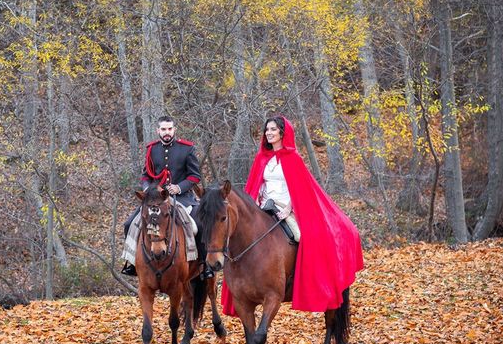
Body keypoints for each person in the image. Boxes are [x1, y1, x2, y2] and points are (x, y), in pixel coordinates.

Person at [220, 115, 364, 315]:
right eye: (267, 130)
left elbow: (300, 188)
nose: (269, 133)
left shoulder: (293, 158)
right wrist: (257, 203)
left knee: (302, 237)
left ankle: (299, 281)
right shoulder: (262, 158)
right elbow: (258, 184)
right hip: (263, 208)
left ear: (282, 133)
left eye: (273, 130)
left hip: (287, 209)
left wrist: (288, 209)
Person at [121, 116, 214, 280]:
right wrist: (148, 189)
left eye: (169, 129)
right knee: (129, 224)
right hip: (156, 199)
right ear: (158, 130)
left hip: (183, 198)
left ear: (174, 129)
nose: (166, 132)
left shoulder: (187, 149)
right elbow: (145, 177)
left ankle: (204, 265)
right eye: (163, 129)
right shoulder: (152, 149)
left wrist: (179, 187)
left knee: (199, 225)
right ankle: (133, 264)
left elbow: (195, 176)